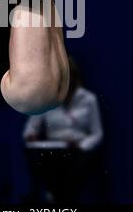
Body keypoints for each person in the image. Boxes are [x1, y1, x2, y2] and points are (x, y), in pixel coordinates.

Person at [22, 55, 104, 203]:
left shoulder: (88, 99)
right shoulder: (47, 98)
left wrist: (81, 145)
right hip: (51, 153)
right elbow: (30, 129)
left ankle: (60, 199)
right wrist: (31, 135)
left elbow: (97, 134)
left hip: (78, 152)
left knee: (74, 172)